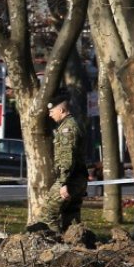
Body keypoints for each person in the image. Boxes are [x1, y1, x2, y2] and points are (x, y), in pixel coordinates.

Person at [36, 91, 89, 233]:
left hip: (69, 180)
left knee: (47, 215)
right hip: (78, 178)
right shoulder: (74, 124)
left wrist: (64, 183)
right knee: (71, 217)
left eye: (52, 111)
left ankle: (53, 246)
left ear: (61, 110)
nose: (49, 114)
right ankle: (77, 245)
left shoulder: (67, 129)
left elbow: (67, 158)